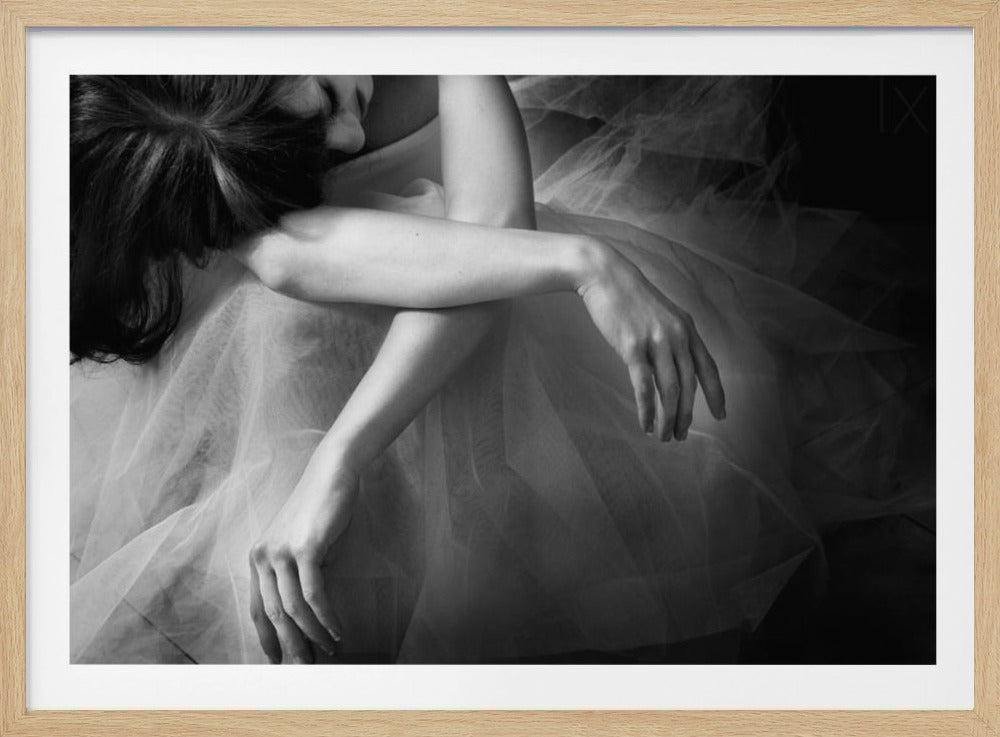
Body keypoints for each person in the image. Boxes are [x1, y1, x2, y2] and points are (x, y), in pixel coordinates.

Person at [70, 75, 931, 664]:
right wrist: (331, 457)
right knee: (281, 314)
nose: (351, 134)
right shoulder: (206, 137)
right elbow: (292, 260)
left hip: (501, 293)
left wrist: (587, 262)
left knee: (451, 307)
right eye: (323, 135)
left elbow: (490, 236)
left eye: (330, 97)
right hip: (337, 316)